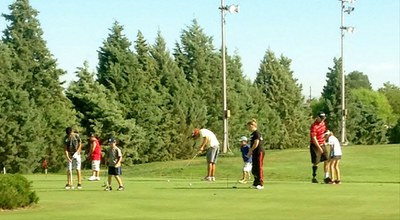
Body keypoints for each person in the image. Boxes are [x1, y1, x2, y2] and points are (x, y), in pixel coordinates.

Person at [309, 111, 330, 184]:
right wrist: (319, 147)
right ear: (317, 117)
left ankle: (326, 177)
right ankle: (314, 177)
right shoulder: (314, 126)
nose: (322, 120)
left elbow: (323, 133)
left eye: (323, 118)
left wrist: (326, 137)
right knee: (316, 162)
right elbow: (314, 138)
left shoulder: (323, 123)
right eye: (321, 118)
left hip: (322, 143)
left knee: (327, 159)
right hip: (315, 145)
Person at [246, 119, 265, 190]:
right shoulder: (252, 134)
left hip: (259, 151)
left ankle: (260, 183)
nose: (248, 128)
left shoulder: (257, 133)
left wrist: (250, 150)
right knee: (254, 168)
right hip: (255, 152)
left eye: (248, 126)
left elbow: (256, 143)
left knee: (259, 167)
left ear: (252, 126)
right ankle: (256, 182)